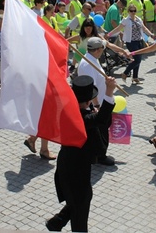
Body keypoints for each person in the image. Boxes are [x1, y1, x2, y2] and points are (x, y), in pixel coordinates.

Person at [46, 75, 116, 232]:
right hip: (75, 170)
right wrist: (109, 92)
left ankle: (57, 222)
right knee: (80, 209)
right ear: (88, 101)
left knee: (80, 200)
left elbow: (99, 119)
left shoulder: (68, 111)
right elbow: (101, 119)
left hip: (70, 165)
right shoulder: (82, 118)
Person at [77, 37, 126, 166]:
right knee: (102, 128)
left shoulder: (92, 58)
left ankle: (97, 153)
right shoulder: (88, 64)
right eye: (101, 49)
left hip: (102, 100)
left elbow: (105, 42)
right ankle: (100, 155)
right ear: (98, 50)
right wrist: (97, 105)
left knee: (102, 128)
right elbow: (91, 87)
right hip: (98, 103)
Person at [107, 4, 154, 84]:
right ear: (128, 11)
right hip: (131, 42)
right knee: (137, 59)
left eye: (134, 11)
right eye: (131, 11)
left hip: (139, 41)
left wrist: (151, 35)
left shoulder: (138, 19)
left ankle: (135, 77)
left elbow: (144, 28)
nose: (133, 12)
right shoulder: (126, 20)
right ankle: (125, 73)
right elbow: (118, 28)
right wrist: (109, 34)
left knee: (138, 59)